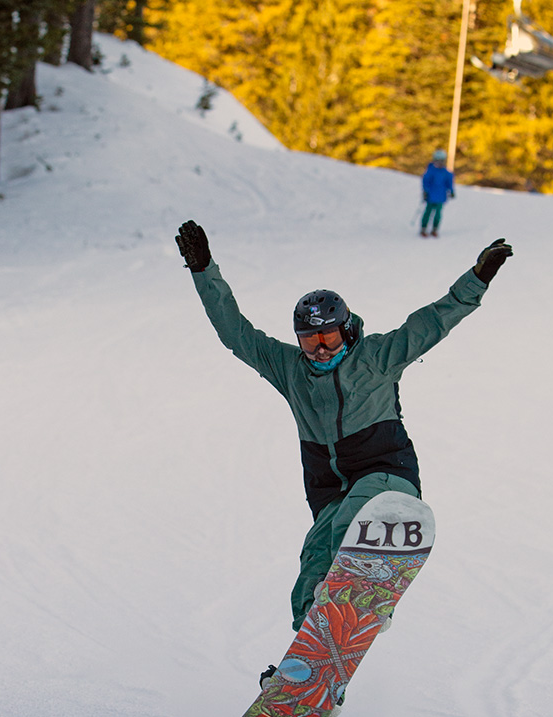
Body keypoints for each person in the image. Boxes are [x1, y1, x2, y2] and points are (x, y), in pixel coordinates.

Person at [175, 221, 513, 642]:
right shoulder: (289, 369)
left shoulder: (376, 357)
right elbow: (235, 333)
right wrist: (203, 269)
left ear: (346, 330)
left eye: (329, 336)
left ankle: (364, 598)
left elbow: (432, 322)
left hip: (385, 474)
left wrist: (478, 279)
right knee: (314, 564)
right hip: (329, 490)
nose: (320, 348)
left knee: (353, 520)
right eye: (310, 339)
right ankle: (313, 670)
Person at [420, 149, 455, 237]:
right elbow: (426, 181)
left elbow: (449, 183)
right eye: (438, 161)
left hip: (441, 196)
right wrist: (425, 191)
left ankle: (435, 229)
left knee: (438, 214)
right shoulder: (430, 171)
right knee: (428, 212)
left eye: (441, 161)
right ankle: (424, 228)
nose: (440, 163)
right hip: (430, 196)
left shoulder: (446, 172)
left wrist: (451, 191)